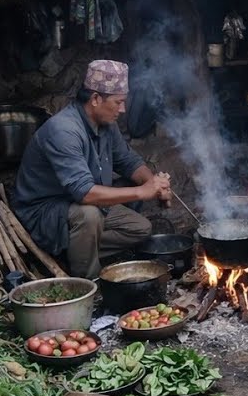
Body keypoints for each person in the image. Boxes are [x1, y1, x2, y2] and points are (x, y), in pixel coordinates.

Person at [12, 60, 172, 279]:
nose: (123, 109)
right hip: (46, 213)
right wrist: (141, 191)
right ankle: (90, 283)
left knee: (140, 228)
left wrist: (152, 183)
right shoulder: (64, 131)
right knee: (89, 215)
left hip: (79, 205)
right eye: (119, 102)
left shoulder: (106, 124)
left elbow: (128, 161)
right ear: (96, 99)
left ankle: (76, 251)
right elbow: (85, 193)